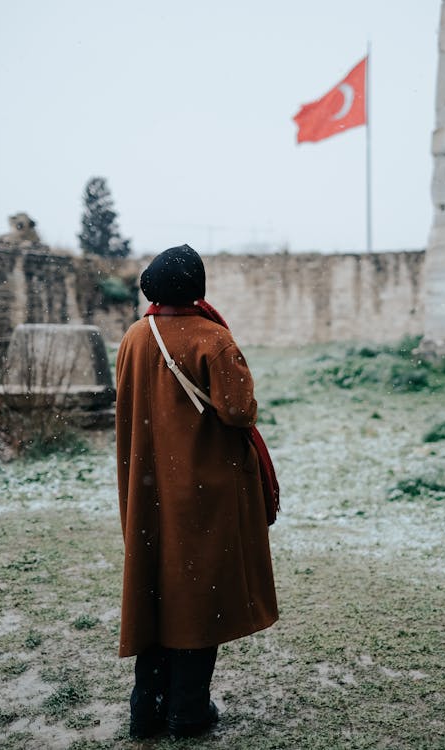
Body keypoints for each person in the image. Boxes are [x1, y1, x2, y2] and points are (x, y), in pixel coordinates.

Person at [115, 244, 279, 740]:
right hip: (203, 491)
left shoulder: (134, 336)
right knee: (197, 599)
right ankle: (187, 711)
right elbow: (238, 412)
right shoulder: (213, 339)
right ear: (196, 288)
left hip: (150, 488)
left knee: (157, 592)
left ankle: (147, 708)